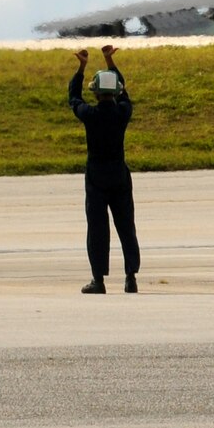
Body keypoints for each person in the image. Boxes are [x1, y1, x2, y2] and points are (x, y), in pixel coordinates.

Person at [69, 45, 140, 294]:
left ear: (96, 93)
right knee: (126, 226)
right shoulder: (123, 113)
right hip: (120, 175)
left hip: (97, 178)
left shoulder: (90, 114)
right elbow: (124, 93)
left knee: (98, 229)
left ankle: (98, 280)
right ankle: (131, 276)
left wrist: (81, 67)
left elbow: (74, 99)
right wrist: (110, 62)